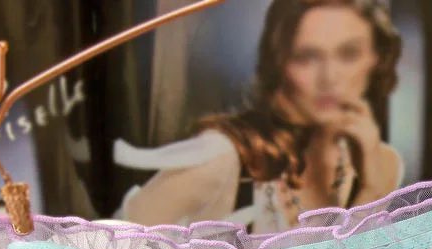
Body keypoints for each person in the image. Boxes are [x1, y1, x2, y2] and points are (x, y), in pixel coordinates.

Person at [113, 0, 404, 231]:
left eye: (349, 54)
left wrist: (371, 190)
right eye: (307, 56)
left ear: (377, 60)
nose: (329, 78)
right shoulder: (221, 158)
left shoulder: (384, 164)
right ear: (279, 63)